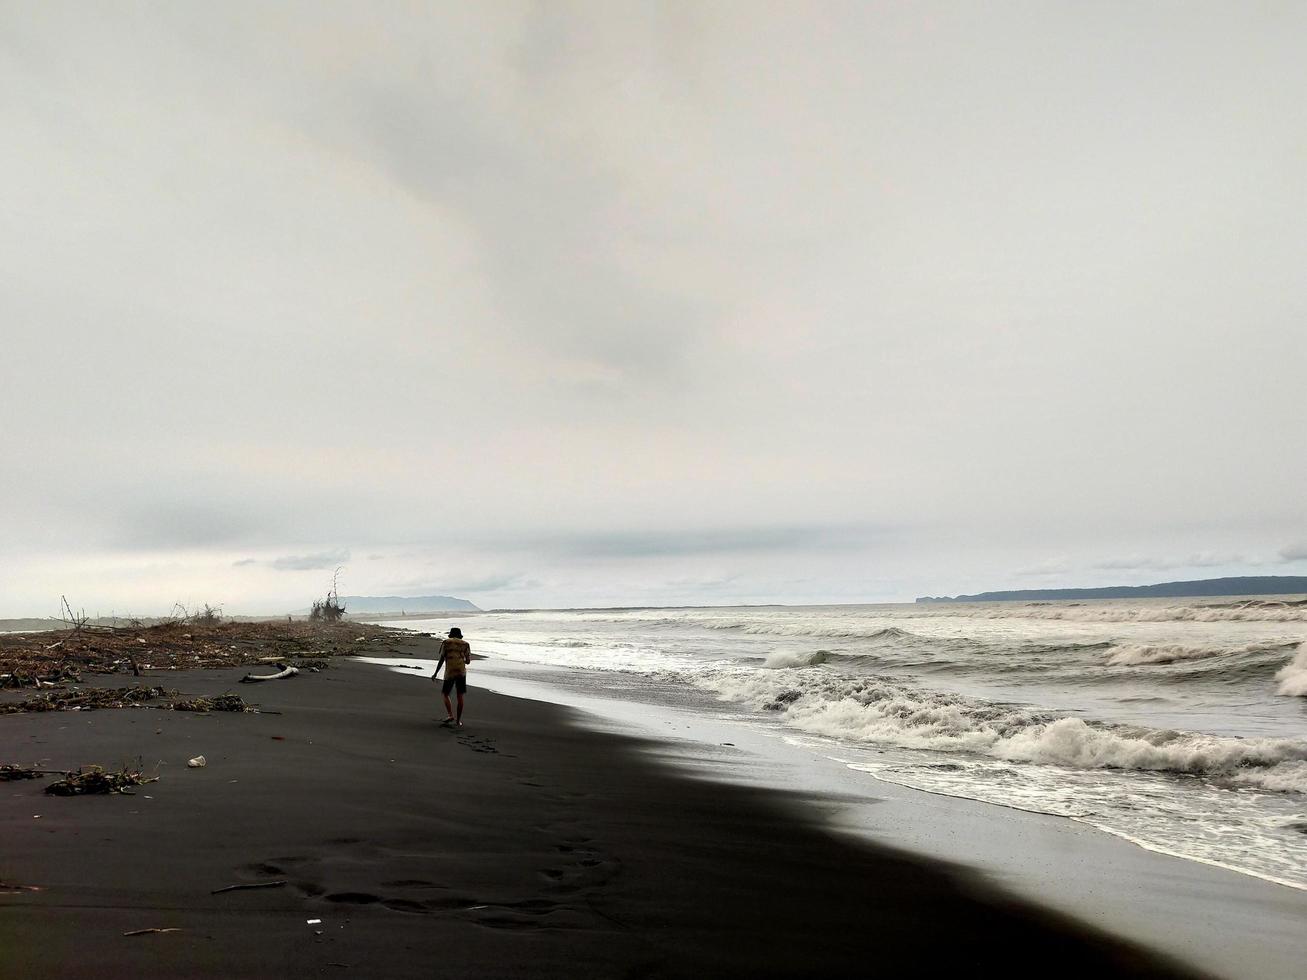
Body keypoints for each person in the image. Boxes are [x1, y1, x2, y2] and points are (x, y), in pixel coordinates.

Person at [431, 627, 471, 726]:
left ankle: (450, 715)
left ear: (451, 634)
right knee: (460, 696)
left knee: (446, 694)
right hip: (461, 672)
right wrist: (462, 659)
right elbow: (468, 661)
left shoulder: (446, 643)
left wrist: (436, 673)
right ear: (460, 635)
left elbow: (442, 659)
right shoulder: (465, 644)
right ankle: (458, 721)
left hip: (450, 672)